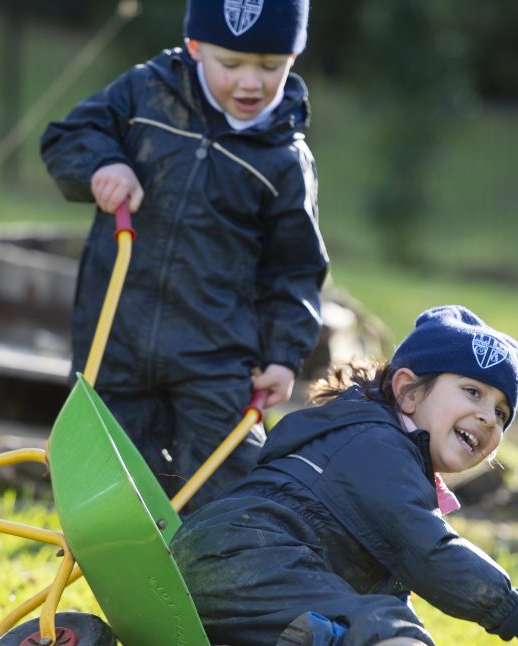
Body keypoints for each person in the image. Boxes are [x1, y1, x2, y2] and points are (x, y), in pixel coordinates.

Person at [141, 305, 518, 646]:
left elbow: (391, 589)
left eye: (503, 413)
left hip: (221, 577)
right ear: (408, 389)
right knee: (378, 627)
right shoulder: (378, 445)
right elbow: (430, 551)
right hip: (253, 554)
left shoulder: (380, 447)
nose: (489, 417)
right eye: (473, 392)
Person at [40, 0, 328, 511]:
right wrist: (105, 163)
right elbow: (69, 136)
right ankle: (127, 584)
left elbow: (295, 268)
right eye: (231, 63)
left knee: (226, 485)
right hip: (115, 340)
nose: (250, 82)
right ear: (195, 48)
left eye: (270, 66)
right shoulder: (146, 93)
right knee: (110, 482)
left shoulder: (285, 160)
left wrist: (284, 355)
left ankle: (230, 579)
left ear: (294, 57)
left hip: (215, 357)